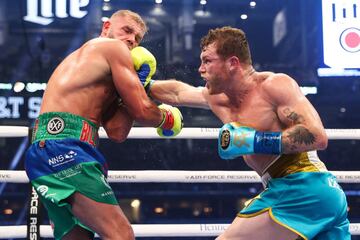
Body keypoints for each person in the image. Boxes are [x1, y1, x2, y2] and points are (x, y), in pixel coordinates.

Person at [147, 26, 350, 239]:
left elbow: (317, 136)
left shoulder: (274, 85)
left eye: (207, 61)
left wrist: (255, 141)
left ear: (233, 63)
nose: (200, 69)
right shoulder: (217, 98)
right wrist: (140, 84)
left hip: (303, 187)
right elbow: (178, 92)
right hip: (312, 195)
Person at [24, 10, 182, 240]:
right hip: (65, 149)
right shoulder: (111, 47)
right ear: (106, 27)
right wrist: (167, 119)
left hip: (51, 151)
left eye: (137, 38)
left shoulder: (96, 66)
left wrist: (138, 80)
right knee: (121, 235)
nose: (130, 40)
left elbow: (117, 131)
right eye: (126, 30)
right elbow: (142, 110)